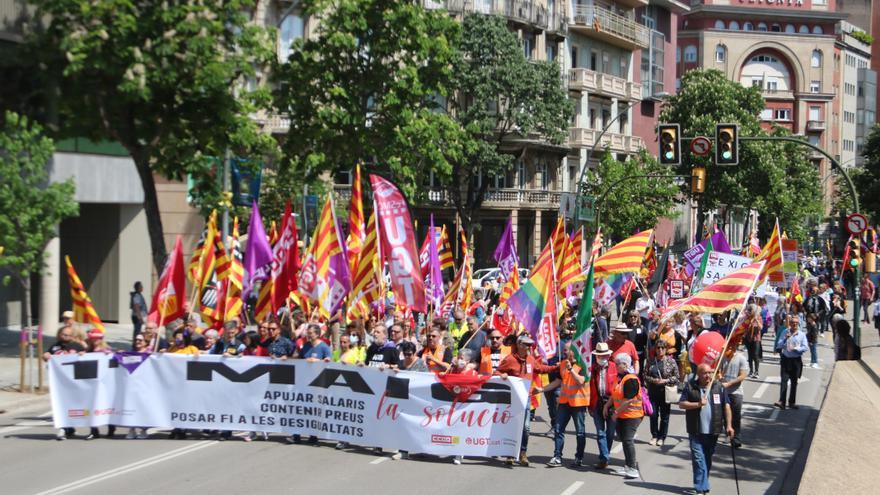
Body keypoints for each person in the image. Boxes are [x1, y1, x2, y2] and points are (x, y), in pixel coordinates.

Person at [496, 333, 557, 467]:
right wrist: (502, 374)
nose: (530, 347)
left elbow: (540, 369)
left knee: (526, 428)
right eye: (527, 345)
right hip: (512, 399)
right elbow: (497, 372)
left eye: (530, 345)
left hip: (526, 398)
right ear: (519, 345)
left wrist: (556, 367)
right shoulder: (510, 359)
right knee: (512, 427)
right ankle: (510, 454)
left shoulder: (530, 359)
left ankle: (523, 453)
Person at [678, 363, 735, 495]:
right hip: (696, 430)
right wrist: (698, 404)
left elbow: (726, 407)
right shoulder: (691, 386)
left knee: (707, 459)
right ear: (698, 374)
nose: (708, 375)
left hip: (713, 430)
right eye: (705, 373)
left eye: (710, 372)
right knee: (699, 459)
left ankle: (703, 482)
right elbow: (681, 404)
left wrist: (729, 425)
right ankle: (701, 487)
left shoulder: (719, 387)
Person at [546, 344, 589, 468]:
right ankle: (557, 456)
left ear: (574, 351)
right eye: (564, 350)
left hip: (578, 404)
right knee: (558, 429)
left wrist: (571, 370)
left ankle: (579, 458)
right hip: (564, 403)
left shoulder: (583, 363)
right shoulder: (563, 363)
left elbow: (581, 381)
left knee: (580, 432)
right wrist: (541, 389)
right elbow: (557, 382)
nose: (565, 352)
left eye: (567, 350)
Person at [603, 353, 643, 479]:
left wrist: (616, 412)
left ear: (625, 364)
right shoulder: (620, 378)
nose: (616, 366)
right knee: (624, 440)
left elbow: (629, 400)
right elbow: (614, 395)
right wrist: (607, 406)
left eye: (618, 364)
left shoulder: (631, 379)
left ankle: (632, 468)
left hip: (632, 415)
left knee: (628, 440)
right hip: (623, 415)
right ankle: (628, 465)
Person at [44, 326, 87, 441]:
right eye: (62, 334)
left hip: (73, 382)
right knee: (61, 404)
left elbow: (87, 357)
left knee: (72, 404)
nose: (64, 337)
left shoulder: (77, 346)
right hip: (59, 383)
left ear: (72, 336)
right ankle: (63, 428)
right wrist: (46, 355)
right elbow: (46, 356)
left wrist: (83, 354)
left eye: (67, 335)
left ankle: (70, 426)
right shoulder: (55, 346)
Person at [643, 339, 678, 447]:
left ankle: (662, 437)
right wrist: (654, 380)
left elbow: (677, 377)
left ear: (666, 349)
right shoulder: (650, 361)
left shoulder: (671, 362)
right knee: (653, 415)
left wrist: (666, 381)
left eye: (662, 348)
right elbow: (645, 375)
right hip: (653, 392)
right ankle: (654, 435)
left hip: (665, 392)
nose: (660, 350)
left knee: (665, 416)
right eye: (658, 348)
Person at [589, 342, 618, 470]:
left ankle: (604, 456)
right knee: (600, 433)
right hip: (597, 403)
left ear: (608, 356)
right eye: (599, 356)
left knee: (610, 433)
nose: (602, 358)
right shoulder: (593, 369)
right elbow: (590, 388)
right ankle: (604, 457)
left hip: (612, 404)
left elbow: (618, 386)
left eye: (604, 356)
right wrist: (590, 406)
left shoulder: (614, 367)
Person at [775, 314, 808, 410]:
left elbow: (805, 347)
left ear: (798, 324)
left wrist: (797, 349)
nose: (794, 324)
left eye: (796, 323)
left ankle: (792, 402)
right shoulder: (785, 332)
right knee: (784, 381)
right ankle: (782, 401)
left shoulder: (801, 335)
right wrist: (785, 338)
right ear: (790, 323)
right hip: (786, 359)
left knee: (794, 382)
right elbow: (779, 345)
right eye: (792, 323)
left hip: (796, 360)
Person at [720, 346, 748, 448]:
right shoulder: (721, 358)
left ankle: (736, 438)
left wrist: (730, 383)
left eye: (730, 348)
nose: (727, 350)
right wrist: (719, 376)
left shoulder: (741, 358)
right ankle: (728, 434)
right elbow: (716, 371)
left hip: (736, 392)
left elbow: (743, 375)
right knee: (724, 415)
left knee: (736, 415)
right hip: (723, 391)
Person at [742, 304, 763, 378]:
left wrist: (756, 320)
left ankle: (756, 371)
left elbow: (760, 328)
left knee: (755, 355)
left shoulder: (759, 317)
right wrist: (749, 323)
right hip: (748, 339)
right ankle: (751, 370)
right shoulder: (747, 318)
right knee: (750, 355)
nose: (749, 311)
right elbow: (744, 328)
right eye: (749, 310)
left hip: (756, 339)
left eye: (751, 310)